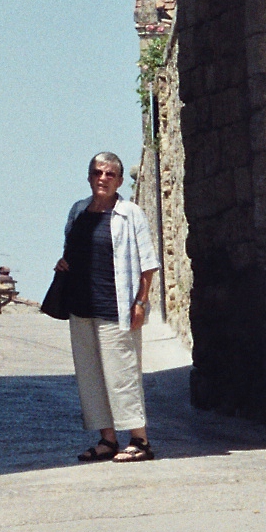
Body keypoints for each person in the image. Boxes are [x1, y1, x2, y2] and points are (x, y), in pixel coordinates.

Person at [54, 151, 160, 462]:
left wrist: (140, 302)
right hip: (81, 307)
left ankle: (140, 441)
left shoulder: (130, 214)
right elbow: (71, 249)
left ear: (120, 180)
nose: (103, 178)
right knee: (91, 377)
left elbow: (148, 264)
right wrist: (64, 263)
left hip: (116, 308)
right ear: (89, 177)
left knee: (122, 375)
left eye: (110, 174)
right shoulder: (78, 211)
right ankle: (107, 440)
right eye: (98, 173)